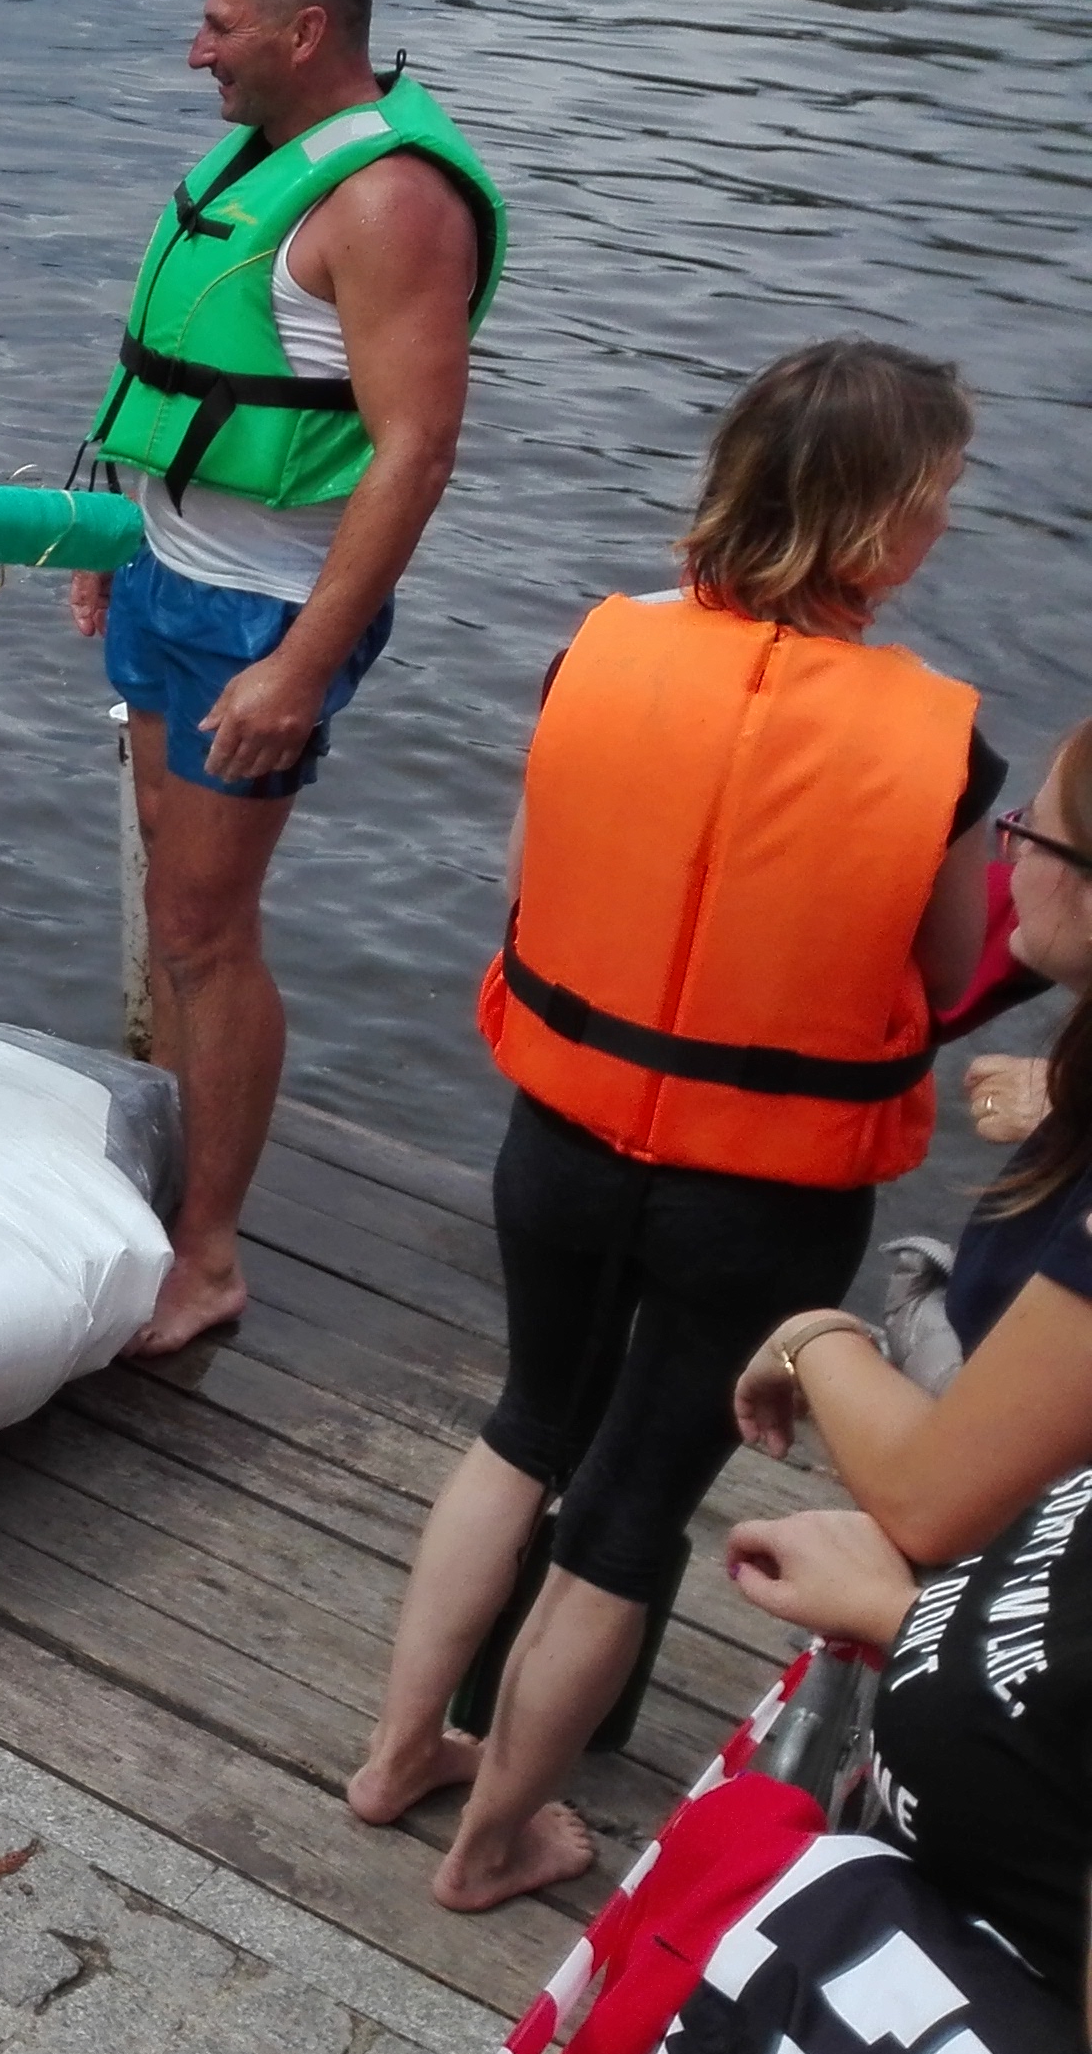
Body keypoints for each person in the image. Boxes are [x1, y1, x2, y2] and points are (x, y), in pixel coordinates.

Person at [346, 342, 993, 1913]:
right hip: (761, 1198)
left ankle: (399, 1753)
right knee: (630, 1515)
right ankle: (496, 1844)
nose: (942, 530)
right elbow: (950, 969)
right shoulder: (941, 745)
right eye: (937, 502)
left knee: (524, 1428)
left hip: (563, 1143)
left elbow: (535, 873)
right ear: (880, 527)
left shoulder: (601, 650)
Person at [69, 0, 504, 1359]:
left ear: (305, 32)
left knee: (207, 928)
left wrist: (302, 664)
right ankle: (169, 1182)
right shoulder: (258, 161)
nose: (196, 53)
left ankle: (206, 1259)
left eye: (220, 28)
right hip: (165, 572)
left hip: (261, 612)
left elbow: (416, 451)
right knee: (169, 901)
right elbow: (183, 353)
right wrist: (114, 531)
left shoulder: (389, 203)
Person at [717, 713, 1092, 2004]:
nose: (1009, 860)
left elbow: (934, 1494)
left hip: (1009, 1732)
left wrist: (811, 1336)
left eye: (1033, 834)